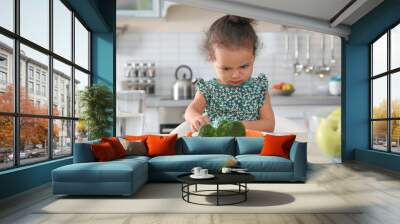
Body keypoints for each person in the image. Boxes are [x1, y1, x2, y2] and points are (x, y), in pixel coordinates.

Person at [184, 15, 275, 132]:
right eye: (226, 68)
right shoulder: (208, 89)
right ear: (212, 59)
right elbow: (190, 111)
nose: (235, 75)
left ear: (253, 57)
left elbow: (269, 125)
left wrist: (238, 126)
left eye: (244, 66)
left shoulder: (258, 88)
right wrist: (196, 118)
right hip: (217, 147)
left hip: (251, 148)